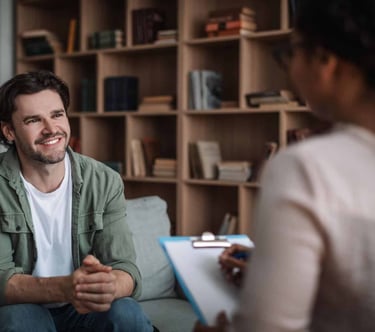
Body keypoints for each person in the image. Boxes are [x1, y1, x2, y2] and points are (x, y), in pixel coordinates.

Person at [195, 0, 375, 331]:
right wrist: (270, 274)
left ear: (324, 59)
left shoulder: (307, 167)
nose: (290, 69)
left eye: (290, 53)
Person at [0, 70, 154, 331]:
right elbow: (1, 280)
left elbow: (125, 268)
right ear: (9, 131)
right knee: (20, 321)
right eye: (34, 120)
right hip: (24, 307)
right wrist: (65, 287)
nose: (51, 130)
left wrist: (109, 285)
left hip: (83, 310)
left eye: (57, 115)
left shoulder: (105, 181)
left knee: (126, 312)